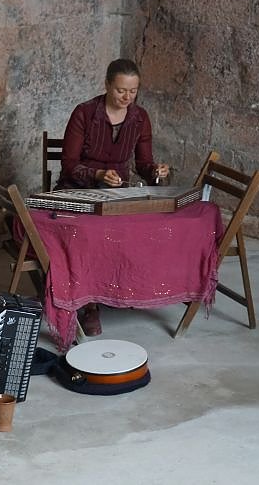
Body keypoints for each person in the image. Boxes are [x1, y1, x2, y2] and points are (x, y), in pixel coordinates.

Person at [55, 58, 170, 336]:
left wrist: (156, 171)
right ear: (107, 85)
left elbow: (143, 165)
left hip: (117, 193)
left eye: (132, 91)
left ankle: (121, 287)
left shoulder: (139, 118)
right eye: (120, 90)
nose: (126, 97)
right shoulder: (84, 113)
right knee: (88, 234)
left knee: (146, 229)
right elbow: (68, 164)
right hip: (77, 188)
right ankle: (89, 303)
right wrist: (97, 175)